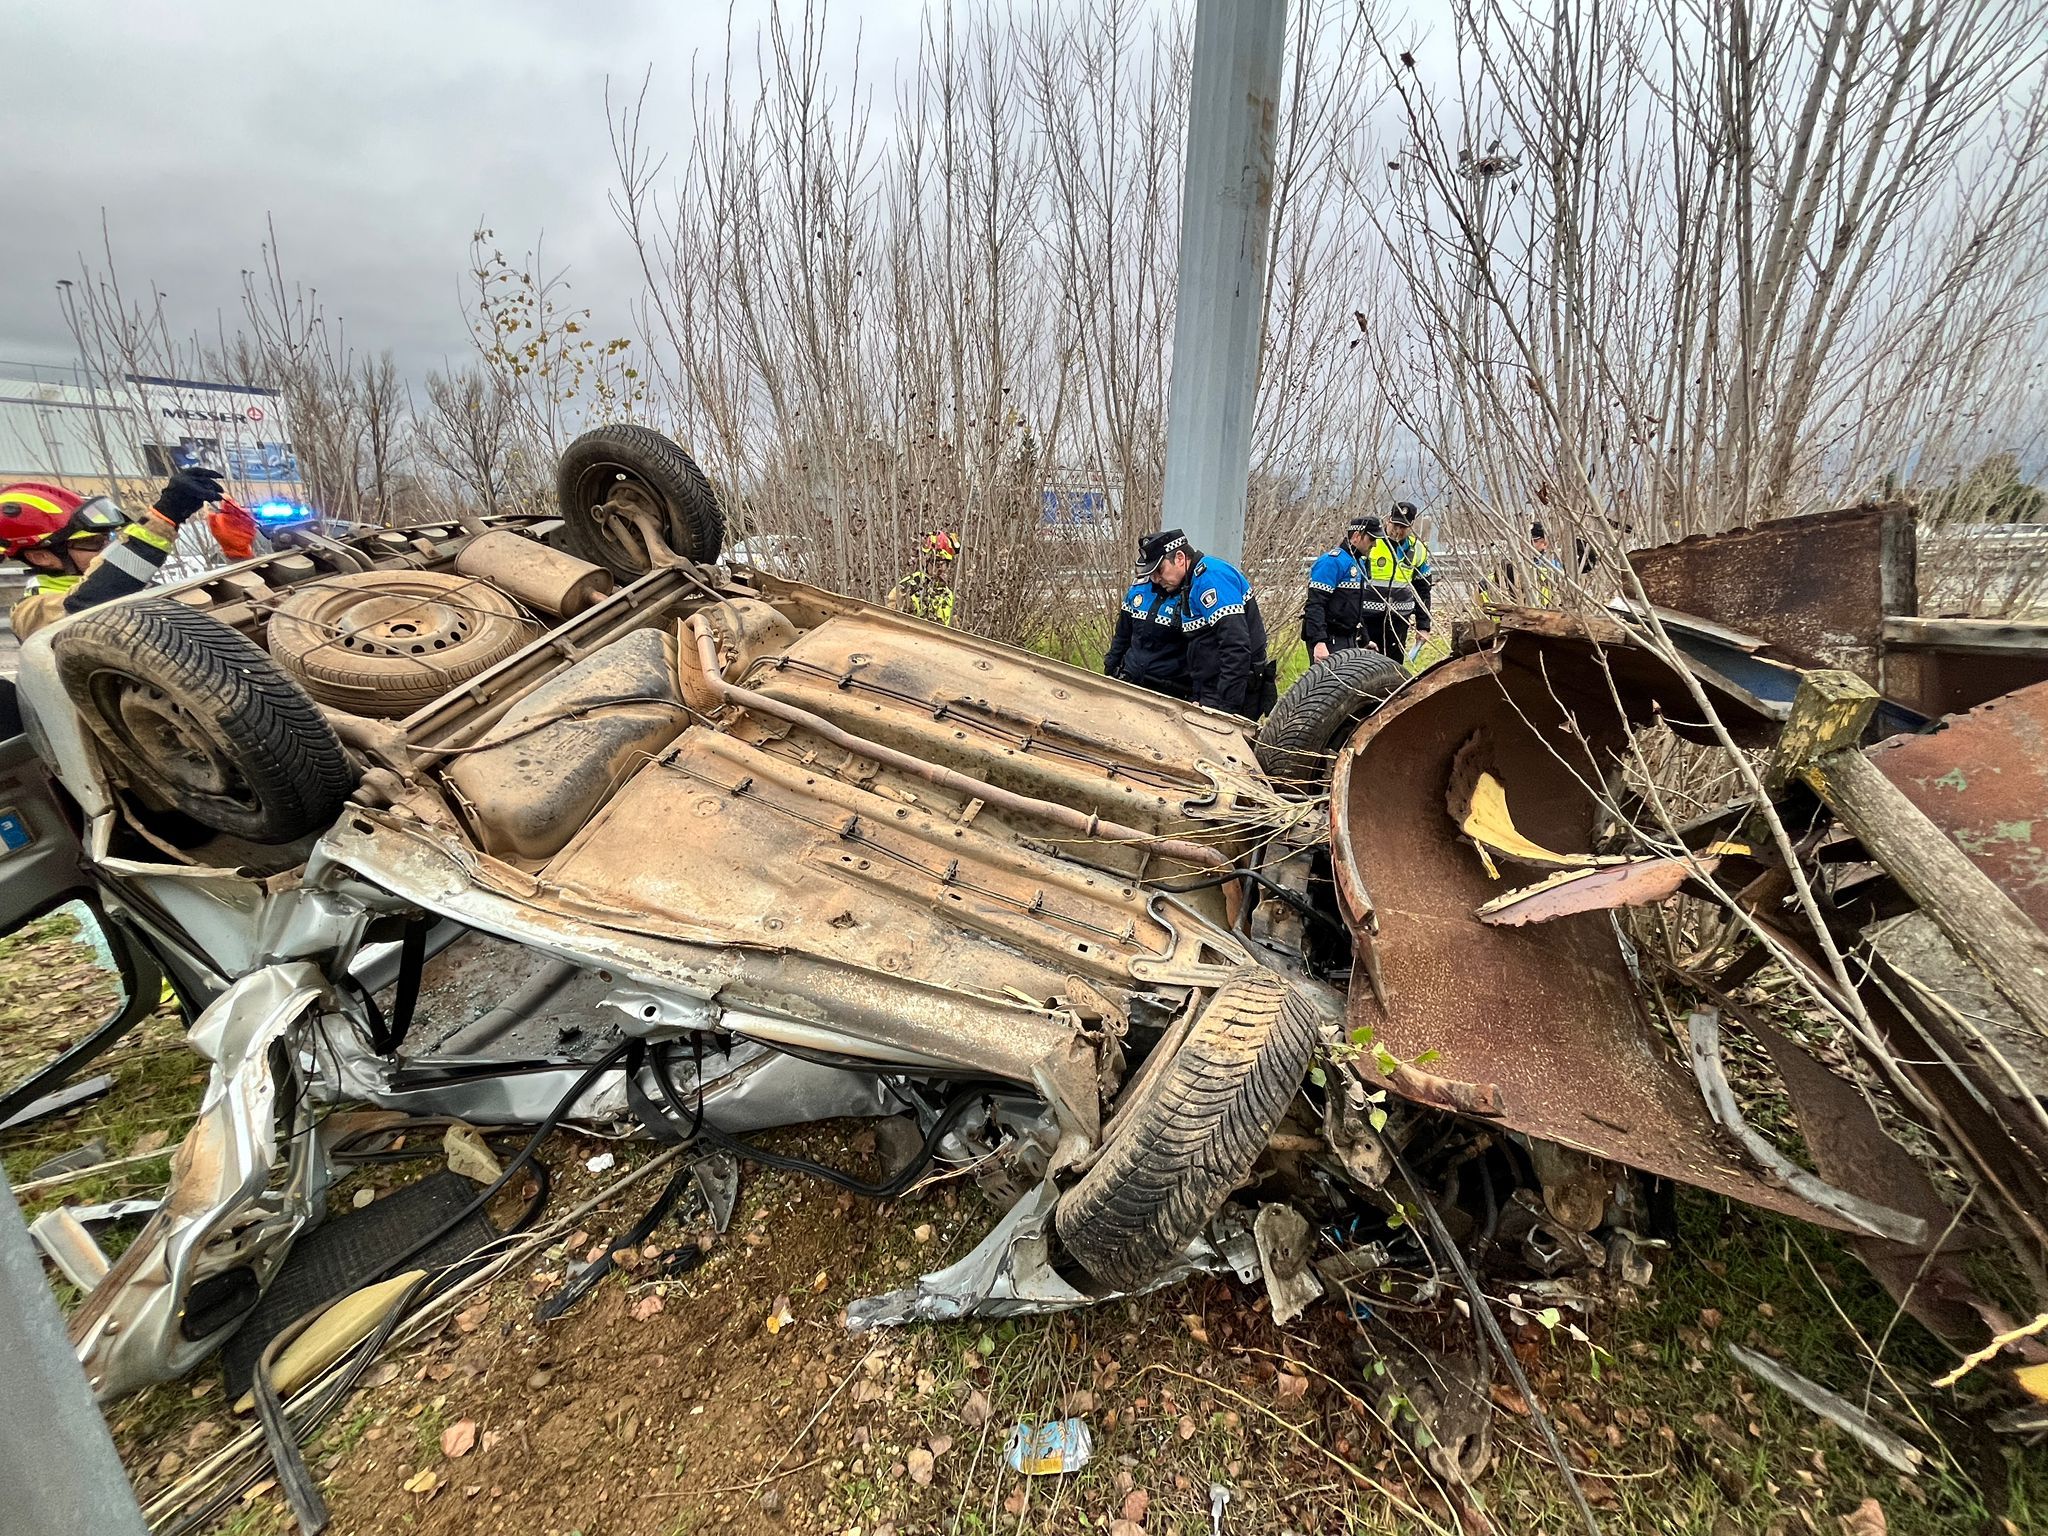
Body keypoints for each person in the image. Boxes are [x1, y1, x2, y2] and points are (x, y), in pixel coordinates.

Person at [3, 469, 227, 641]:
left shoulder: (124, 584)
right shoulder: (30, 611)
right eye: (92, 542)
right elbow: (89, 601)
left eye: (107, 538)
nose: (106, 548)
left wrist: (237, 554)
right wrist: (164, 517)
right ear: (41, 557)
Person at [1106, 528, 1274, 718]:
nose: (1156, 579)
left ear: (1179, 558)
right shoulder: (1190, 583)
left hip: (1231, 692)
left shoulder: (1211, 577)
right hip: (1210, 690)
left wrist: (1224, 707)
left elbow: (1235, 647)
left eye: (1160, 570)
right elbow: (1203, 648)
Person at [1360, 500, 1434, 660]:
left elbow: (1424, 591)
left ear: (1411, 525)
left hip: (1399, 619)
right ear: (1388, 520)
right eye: (1395, 525)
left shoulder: (1418, 550)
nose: (1398, 531)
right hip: (1368, 618)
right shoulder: (1372, 543)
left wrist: (1423, 626)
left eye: (1403, 527)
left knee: (1394, 667)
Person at [1301, 512, 1378, 662]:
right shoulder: (1331, 562)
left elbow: (1354, 608)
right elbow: (1315, 604)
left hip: (1348, 638)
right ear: (1356, 536)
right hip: (1329, 639)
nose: (1374, 544)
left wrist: (1365, 639)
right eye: (1371, 539)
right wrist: (1319, 642)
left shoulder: (1359, 563)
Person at [887, 530, 959, 625]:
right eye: (937, 563)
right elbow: (890, 620)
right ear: (926, 560)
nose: (942, 568)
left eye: (946, 564)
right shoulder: (908, 586)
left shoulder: (947, 594)